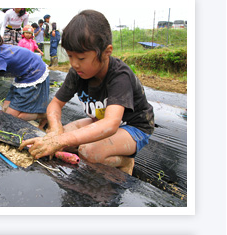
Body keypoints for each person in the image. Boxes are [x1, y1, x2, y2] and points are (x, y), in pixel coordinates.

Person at [20, 10, 154, 175]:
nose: (75, 64)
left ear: (106, 52)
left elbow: (111, 124)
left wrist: (59, 139)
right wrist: (55, 129)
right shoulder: (77, 73)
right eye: (70, 56)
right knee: (63, 138)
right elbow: (55, 104)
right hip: (101, 120)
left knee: (89, 152)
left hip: (133, 127)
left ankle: (125, 161)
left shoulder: (120, 76)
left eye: (81, 58)